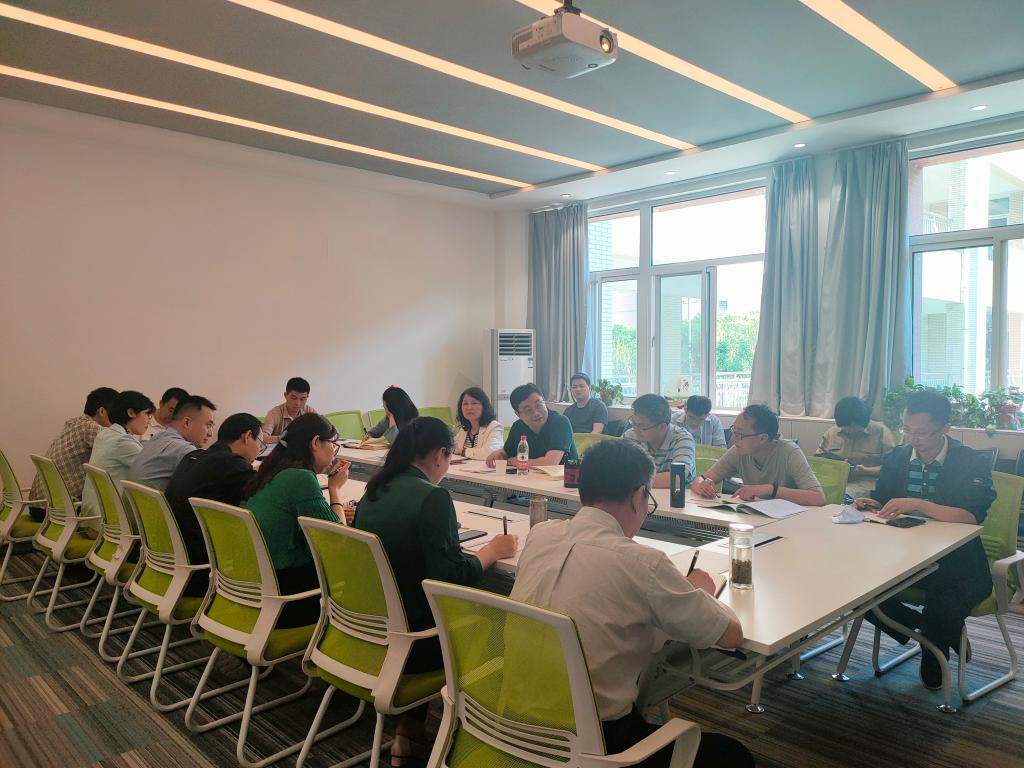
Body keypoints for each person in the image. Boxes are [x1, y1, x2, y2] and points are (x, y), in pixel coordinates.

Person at [510, 440, 752, 768]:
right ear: (639, 496)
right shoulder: (643, 563)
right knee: (733, 755)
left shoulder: (540, 535)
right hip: (591, 743)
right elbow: (732, 635)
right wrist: (700, 593)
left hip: (509, 720)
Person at [355, 417, 517, 767]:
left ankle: (410, 731)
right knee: (502, 618)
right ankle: (486, 738)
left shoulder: (375, 489)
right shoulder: (433, 497)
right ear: (440, 455)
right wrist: (492, 551)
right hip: (419, 644)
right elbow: (450, 579)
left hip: (372, 630)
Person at [853, 390, 995, 690]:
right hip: (901, 553)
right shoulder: (897, 457)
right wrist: (871, 504)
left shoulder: (970, 461)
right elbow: (884, 499)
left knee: (944, 597)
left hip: (956, 558)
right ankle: (929, 631)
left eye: (921, 432)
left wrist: (918, 504)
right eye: (906, 430)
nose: (912, 439)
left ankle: (934, 644)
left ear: (945, 428)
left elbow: (970, 516)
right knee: (853, 587)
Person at [243, 413, 350, 627]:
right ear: (315, 442)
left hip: (257, 588)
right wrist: (335, 490)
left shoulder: (273, 471)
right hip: (287, 599)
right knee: (358, 563)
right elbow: (338, 539)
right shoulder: (300, 478)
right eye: (333, 444)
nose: (334, 451)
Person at [165, 413, 264, 591]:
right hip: (202, 571)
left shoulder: (195, 456)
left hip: (172, 560)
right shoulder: (232, 464)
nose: (259, 449)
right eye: (260, 443)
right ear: (248, 436)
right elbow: (267, 497)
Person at [691, 404, 826, 506]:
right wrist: (702, 486)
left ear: (763, 438)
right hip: (753, 518)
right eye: (733, 431)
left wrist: (770, 489)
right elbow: (700, 479)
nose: (734, 438)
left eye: (739, 434)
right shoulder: (738, 451)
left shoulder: (789, 452)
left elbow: (818, 498)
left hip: (790, 523)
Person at [28, 387, 118, 521]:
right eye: (117, 414)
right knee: (117, 510)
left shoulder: (75, 423)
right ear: (102, 411)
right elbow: (121, 451)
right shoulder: (91, 428)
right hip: (55, 510)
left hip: (39, 505)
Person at [80, 390, 155, 525]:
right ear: (131, 412)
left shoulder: (104, 435)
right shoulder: (122, 441)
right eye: (147, 414)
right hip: (109, 522)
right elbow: (153, 470)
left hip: (92, 516)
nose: (149, 420)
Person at [127, 395, 216, 490]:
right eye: (208, 425)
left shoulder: (157, 437)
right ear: (187, 422)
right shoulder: (184, 449)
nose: (210, 434)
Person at [816, 396, 895, 496]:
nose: (850, 430)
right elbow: (817, 462)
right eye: (846, 427)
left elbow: (892, 469)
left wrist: (865, 471)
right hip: (833, 479)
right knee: (812, 492)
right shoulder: (831, 433)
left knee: (843, 495)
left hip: (865, 482)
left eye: (855, 427)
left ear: (865, 421)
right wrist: (837, 467)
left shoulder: (881, 433)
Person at [485, 383, 577, 467]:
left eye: (539, 405)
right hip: (530, 477)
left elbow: (550, 462)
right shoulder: (518, 427)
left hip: (564, 478)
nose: (536, 413)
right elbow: (506, 452)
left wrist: (518, 462)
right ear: (518, 414)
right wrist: (499, 454)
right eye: (528, 410)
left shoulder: (560, 422)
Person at [623, 394, 695, 487]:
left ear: (662, 427)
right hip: (642, 493)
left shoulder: (682, 438)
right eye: (633, 423)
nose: (635, 429)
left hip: (677, 495)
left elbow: (678, 477)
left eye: (642, 426)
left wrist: (630, 479)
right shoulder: (631, 435)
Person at [452, 387, 504, 460]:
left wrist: (463, 451)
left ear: (484, 406)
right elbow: (451, 447)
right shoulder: (463, 430)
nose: (469, 407)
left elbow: (490, 453)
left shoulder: (494, 427)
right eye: (465, 403)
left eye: (474, 403)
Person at [263, 377, 317, 443]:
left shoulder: (310, 412)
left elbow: (324, 433)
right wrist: (283, 439)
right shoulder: (274, 413)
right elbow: (262, 437)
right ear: (285, 395)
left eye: (302, 399)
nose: (298, 403)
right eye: (294, 398)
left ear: (307, 397)